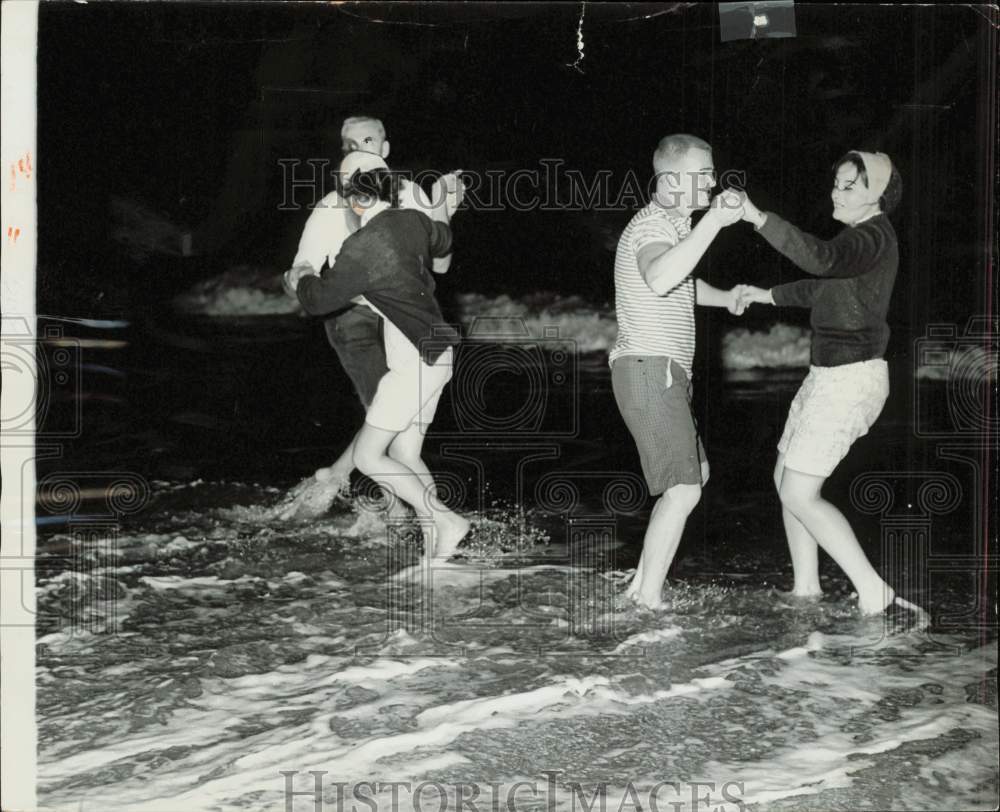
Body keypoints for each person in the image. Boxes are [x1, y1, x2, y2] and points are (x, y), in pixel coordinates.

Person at [733, 150, 903, 615]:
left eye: (851, 186)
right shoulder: (859, 240)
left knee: (797, 492)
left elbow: (821, 261)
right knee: (784, 477)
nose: (837, 191)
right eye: (838, 182)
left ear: (879, 197)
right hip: (827, 376)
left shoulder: (872, 238)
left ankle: (874, 590)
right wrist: (764, 294)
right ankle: (807, 586)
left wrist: (756, 217)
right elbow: (822, 288)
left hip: (851, 380)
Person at [285, 151, 470, 560]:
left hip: (415, 363)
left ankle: (447, 521)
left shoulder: (362, 248)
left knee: (370, 456)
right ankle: (435, 552)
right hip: (438, 355)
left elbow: (317, 301)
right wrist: (443, 202)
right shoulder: (412, 221)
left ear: (353, 199)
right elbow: (443, 238)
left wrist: (302, 277)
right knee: (404, 454)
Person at [610, 134, 747, 610]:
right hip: (649, 369)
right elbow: (660, 276)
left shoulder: (670, 226)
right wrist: (712, 223)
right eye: (703, 175)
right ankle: (647, 597)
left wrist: (726, 297)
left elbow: (681, 282)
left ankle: (638, 586)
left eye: (712, 173)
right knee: (684, 488)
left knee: (697, 476)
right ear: (670, 182)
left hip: (662, 373)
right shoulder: (652, 225)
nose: (713, 183)